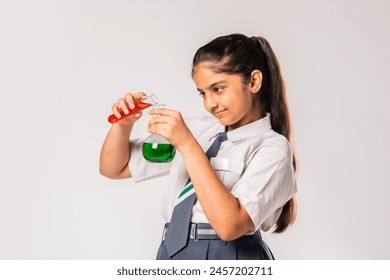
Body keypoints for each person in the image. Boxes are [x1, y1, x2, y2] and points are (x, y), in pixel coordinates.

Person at [100, 33, 297, 260]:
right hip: (172, 249)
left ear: (253, 82)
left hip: (228, 255)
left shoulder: (272, 148)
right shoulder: (199, 130)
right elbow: (114, 168)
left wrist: (187, 144)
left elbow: (229, 226)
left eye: (218, 89)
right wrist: (123, 125)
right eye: (203, 93)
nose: (209, 103)